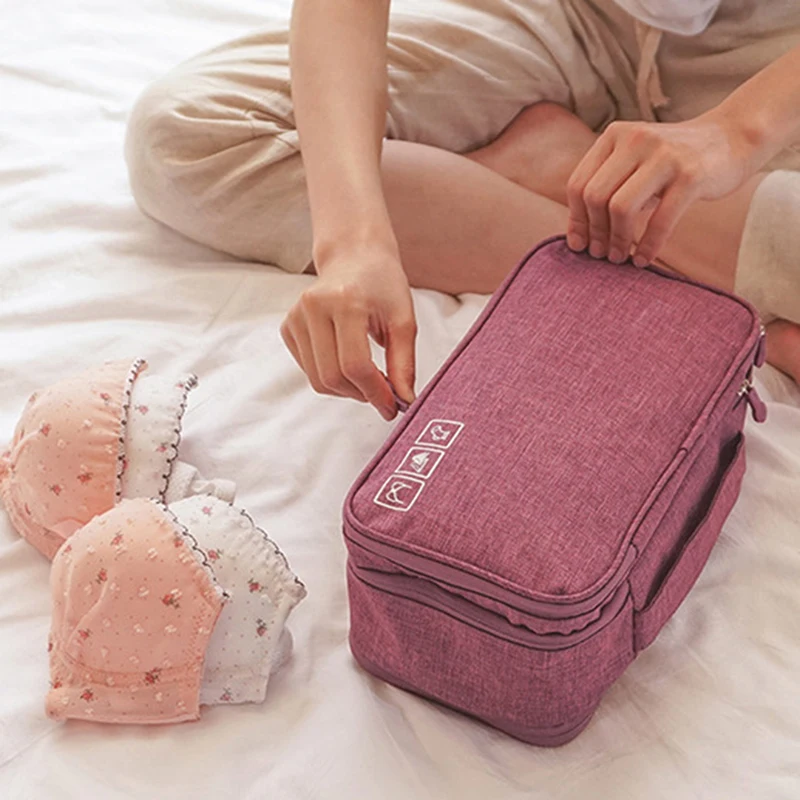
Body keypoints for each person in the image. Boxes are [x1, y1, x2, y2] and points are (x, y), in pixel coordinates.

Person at [125, 0, 800, 420]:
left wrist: (736, 133)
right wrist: (353, 245)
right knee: (189, 137)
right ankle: (677, 271)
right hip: (576, 16)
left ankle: (559, 167)